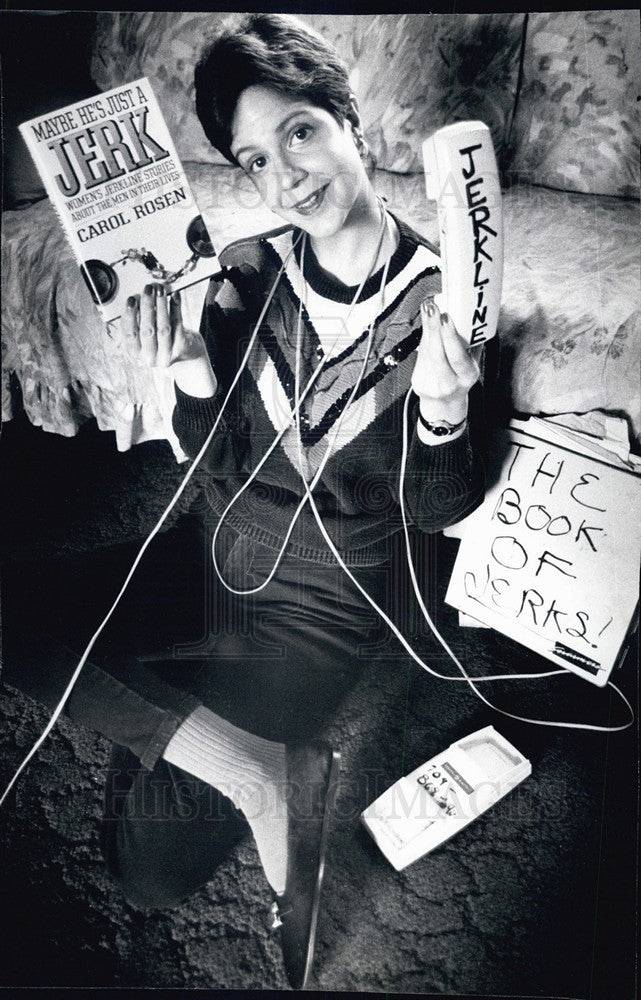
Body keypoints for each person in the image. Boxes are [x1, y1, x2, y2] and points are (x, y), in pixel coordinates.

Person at [4, 13, 486, 990]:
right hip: (209, 555)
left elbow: (438, 511)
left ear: (349, 121)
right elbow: (208, 461)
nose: (287, 174)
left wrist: (442, 405)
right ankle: (251, 770)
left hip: (315, 620)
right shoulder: (243, 273)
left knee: (143, 874)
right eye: (255, 158)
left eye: (300, 132)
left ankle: (232, 745)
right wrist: (180, 367)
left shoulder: (441, 296)